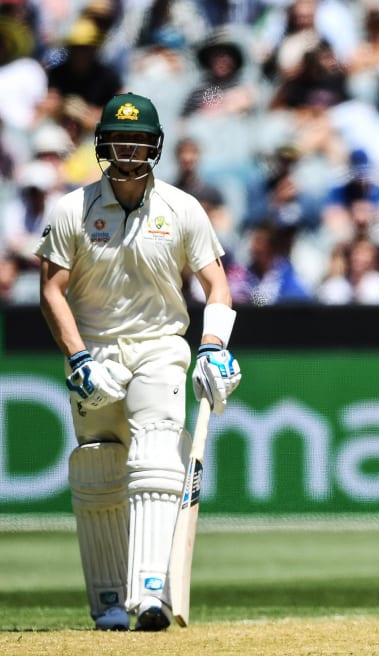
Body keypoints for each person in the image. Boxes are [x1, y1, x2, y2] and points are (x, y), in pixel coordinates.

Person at [35, 92, 242, 631]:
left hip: (159, 346)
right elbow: (51, 291)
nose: (129, 152)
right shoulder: (71, 210)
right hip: (95, 350)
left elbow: (216, 283)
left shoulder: (181, 208)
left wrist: (215, 346)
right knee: (99, 465)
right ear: (102, 145)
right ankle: (108, 600)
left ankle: (149, 590)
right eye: (119, 142)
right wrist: (78, 358)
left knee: (154, 452)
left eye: (139, 142)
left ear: (155, 147)